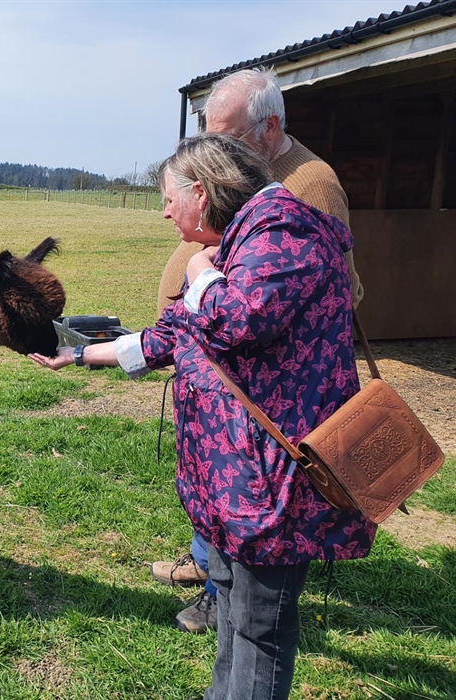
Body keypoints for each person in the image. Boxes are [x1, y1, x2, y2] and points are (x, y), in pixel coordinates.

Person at [30, 133, 375, 700]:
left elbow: (239, 319)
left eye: (169, 197)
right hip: (240, 475)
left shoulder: (282, 233)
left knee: (261, 623)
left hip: (277, 479)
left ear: (201, 190)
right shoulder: (245, 240)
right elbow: (176, 334)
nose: (165, 209)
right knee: (233, 606)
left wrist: (199, 273)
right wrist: (79, 354)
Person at [152, 67, 365, 633]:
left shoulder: (309, 185)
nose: (216, 150)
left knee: (255, 524)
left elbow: (316, 293)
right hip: (218, 369)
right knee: (225, 496)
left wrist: (203, 283)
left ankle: (229, 599)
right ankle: (217, 579)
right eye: (210, 134)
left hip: (264, 401)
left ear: (269, 128)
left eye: (228, 138)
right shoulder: (248, 181)